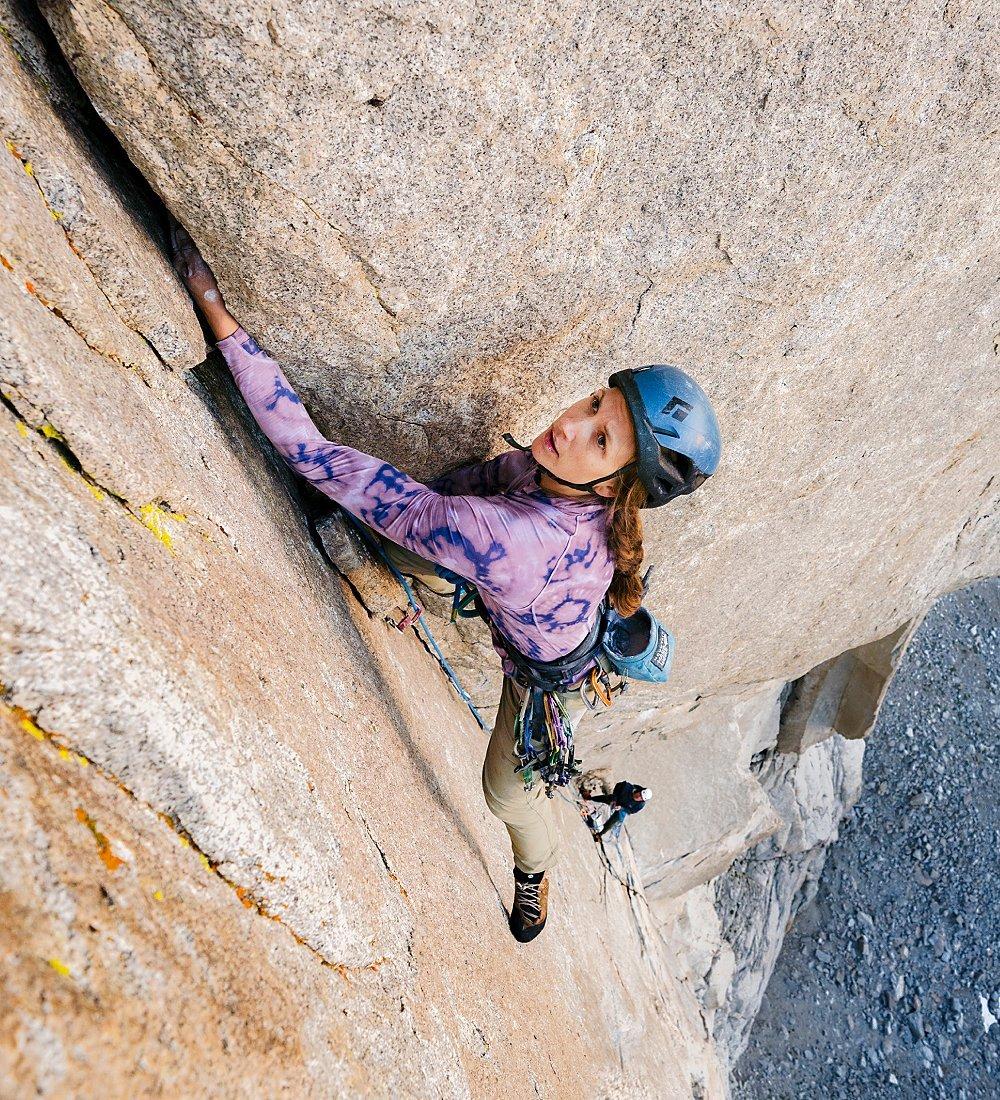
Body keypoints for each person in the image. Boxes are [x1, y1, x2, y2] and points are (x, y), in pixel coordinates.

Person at [170, 220, 721, 944]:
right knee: (413, 544)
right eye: (594, 405)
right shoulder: (553, 479)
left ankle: (535, 873)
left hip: (543, 676)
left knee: (506, 795)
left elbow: (313, 454)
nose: (571, 425)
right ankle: (419, 559)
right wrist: (425, 518)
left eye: (601, 438)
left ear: (619, 485)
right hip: (525, 599)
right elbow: (485, 482)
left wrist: (216, 310)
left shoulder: (509, 538)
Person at [586, 781, 652, 840]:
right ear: (639, 791)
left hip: (622, 808)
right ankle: (590, 798)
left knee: (615, 819)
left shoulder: (640, 805)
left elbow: (631, 811)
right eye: (640, 794)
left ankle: (600, 834)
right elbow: (618, 785)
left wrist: (622, 808)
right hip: (616, 799)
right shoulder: (627, 787)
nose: (638, 797)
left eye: (641, 798)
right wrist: (615, 798)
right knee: (608, 798)